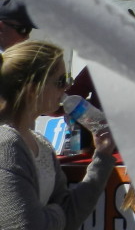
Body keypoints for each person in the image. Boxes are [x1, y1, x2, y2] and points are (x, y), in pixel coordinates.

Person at [0, 40, 115, 229]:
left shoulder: (41, 144)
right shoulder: (6, 143)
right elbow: (28, 226)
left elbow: (72, 214)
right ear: (32, 88)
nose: (66, 89)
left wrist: (102, 155)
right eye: (60, 81)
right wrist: (56, 213)